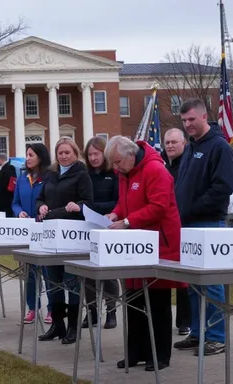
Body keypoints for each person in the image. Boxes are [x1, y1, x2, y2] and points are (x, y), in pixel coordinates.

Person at [105, 136, 183, 371]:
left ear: (131, 155)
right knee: (133, 299)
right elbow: (124, 202)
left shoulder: (155, 169)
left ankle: (160, 355)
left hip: (160, 242)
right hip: (135, 244)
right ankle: (135, 351)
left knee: (158, 301)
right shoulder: (125, 172)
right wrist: (115, 214)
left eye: (118, 162)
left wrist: (127, 221)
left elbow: (158, 207)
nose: (116, 168)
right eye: (114, 164)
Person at [173, 99, 233, 356]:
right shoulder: (190, 148)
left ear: (204, 117)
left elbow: (222, 188)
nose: (187, 125)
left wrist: (192, 207)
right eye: (184, 121)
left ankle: (217, 337)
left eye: (191, 120)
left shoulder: (219, 147)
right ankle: (198, 333)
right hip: (187, 224)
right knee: (193, 285)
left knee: (211, 284)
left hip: (208, 222)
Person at [36, 137, 93, 345]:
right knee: (53, 282)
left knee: (71, 283)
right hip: (51, 236)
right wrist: (41, 207)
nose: (63, 156)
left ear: (75, 154)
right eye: (60, 153)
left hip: (71, 235)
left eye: (67, 152)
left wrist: (76, 206)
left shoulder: (82, 175)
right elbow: (40, 197)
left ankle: (73, 327)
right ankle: (57, 324)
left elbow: (87, 202)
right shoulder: (50, 174)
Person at [12, 143, 54, 325]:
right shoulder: (22, 178)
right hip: (26, 231)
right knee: (29, 272)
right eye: (27, 154)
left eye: (31, 155)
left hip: (44, 230)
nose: (27, 158)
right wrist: (18, 211)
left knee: (48, 272)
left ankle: (53, 309)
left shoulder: (50, 177)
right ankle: (32, 308)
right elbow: (15, 202)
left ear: (40, 157)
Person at [81, 137, 119, 330]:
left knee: (108, 272)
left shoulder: (114, 174)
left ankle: (111, 311)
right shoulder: (85, 174)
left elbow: (118, 201)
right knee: (88, 272)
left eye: (97, 153)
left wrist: (95, 208)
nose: (94, 158)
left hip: (108, 225)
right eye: (90, 154)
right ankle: (91, 312)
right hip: (88, 226)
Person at [162, 128, 191, 336]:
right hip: (166, 227)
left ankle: (185, 320)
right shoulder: (162, 166)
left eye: (174, 142)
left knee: (184, 278)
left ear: (184, 143)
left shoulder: (188, 165)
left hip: (186, 222)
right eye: (167, 142)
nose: (170, 145)